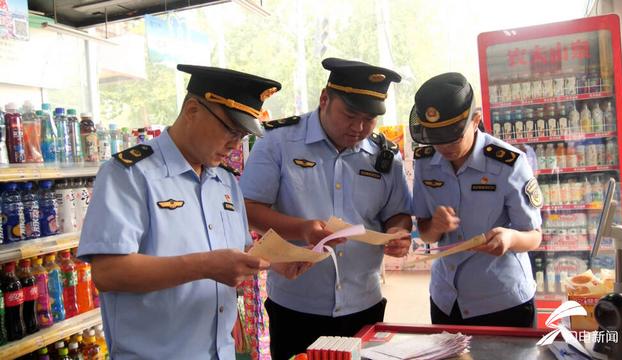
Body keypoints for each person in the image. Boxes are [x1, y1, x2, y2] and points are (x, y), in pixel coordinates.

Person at [78, 64, 291, 359]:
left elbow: (237, 253)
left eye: (242, 135)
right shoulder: (128, 175)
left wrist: (275, 262)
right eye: (230, 129)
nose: (234, 144)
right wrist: (204, 266)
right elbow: (108, 272)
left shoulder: (226, 181)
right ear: (192, 110)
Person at [240, 57, 413, 358]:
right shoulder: (278, 142)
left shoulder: (385, 157)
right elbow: (248, 208)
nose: (358, 128)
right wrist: (301, 228)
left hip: (364, 303)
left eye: (369, 119)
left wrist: (399, 231)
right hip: (296, 305)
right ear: (324, 99)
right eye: (349, 115)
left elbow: (397, 212)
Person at [410, 72, 542, 328]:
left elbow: (534, 236)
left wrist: (510, 238)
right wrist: (434, 227)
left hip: (502, 300)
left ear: (476, 120)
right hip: (446, 300)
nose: (445, 147)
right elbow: (425, 235)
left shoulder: (509, 164)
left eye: (453, 136)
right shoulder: (425, 163)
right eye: (436, 138)